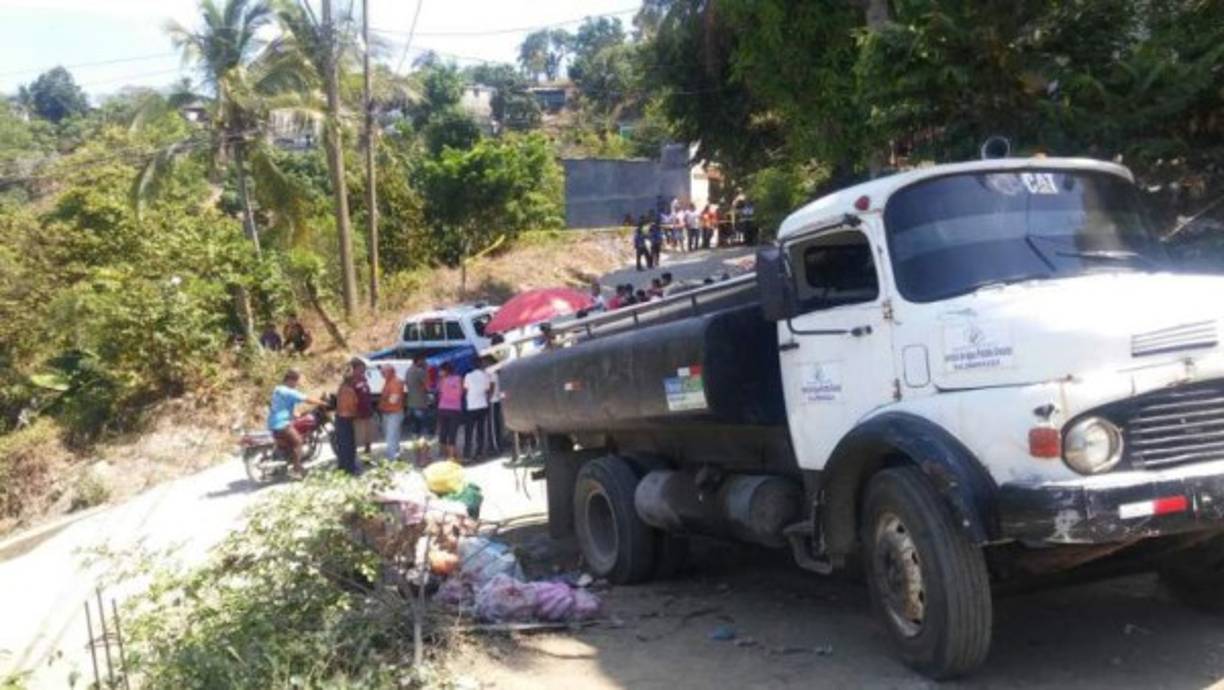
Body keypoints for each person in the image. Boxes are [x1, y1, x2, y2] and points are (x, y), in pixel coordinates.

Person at [267, 369, 326, 477]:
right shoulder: (288, 391)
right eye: (296, 381)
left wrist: (295, 414)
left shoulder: (278, 389)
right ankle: (296, 470)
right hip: (281, 424)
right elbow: (306, 399)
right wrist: (323, 403)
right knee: (298, 442)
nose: (296, 384)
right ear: (290, 380)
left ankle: (292, 461)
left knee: (295, 435)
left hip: (274, 422)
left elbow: (283, 405)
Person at [334, 359, 365, 475]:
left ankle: (344, 467)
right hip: (345, 420)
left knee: (344, 445)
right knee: (348, 446)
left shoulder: (343, 388)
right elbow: (350, 406)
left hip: (342, 419)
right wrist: (356, 413)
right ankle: (349, 469)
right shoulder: (348, 391)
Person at [462, 358, 494, 462]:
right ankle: (479, 453)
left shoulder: (468, 376)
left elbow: (465, 390)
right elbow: (488, 389)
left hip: (471, 407)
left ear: (472, 365)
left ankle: (467, 454)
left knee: (469, 431)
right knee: (481, 431)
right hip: (483, 405)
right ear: (481, 365)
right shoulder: (486, 376)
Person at [404, 355, 431, 465]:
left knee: (415, 433)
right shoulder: (420, 371)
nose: (425, 362)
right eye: (424, 360)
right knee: (424, 433)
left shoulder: (408, 371)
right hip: (421, 405)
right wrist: (426, 371)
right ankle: (423, 460)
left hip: (411, 404)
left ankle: (417, 458)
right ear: (419, 360)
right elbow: (427, 386)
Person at [435, 362, 464, 459]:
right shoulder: (458, 379)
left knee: (443, 431)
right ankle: (451, 455)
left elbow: (439, 394)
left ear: (445, 371)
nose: (439, 372)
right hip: (455, 409)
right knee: (452, 432)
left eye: (441, 370)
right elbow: (460, 393)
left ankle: (443, 453)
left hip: (443, 408)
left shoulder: (441, 381)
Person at [377, 365, 405, 462]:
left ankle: (391, 458)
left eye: (384, 373)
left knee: (391, 435)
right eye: (382, 373)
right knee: (393, 435)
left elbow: (394, 400)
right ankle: (395, 453)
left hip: (393, 413)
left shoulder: (395, 382)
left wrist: (383, 402)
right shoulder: (389, 381)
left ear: (391, 372)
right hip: (390, 412)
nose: (382, 375)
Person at [352, 362, 376, 456]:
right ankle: (355, 458)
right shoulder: (351, 381)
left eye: (364, 368)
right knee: (357, 438)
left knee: (368, 437)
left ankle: (367, 457)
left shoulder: (364, 379)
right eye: (362, 368)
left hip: (367, 412)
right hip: (358, 414)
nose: (364, 370)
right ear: (355, 368)